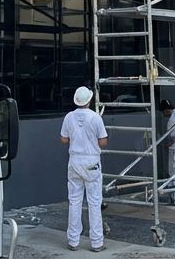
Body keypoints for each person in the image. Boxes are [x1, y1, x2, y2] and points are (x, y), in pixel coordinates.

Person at [61, 86, 108, 252]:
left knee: (74, 201)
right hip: (91, 163)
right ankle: (96, 243)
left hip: (74, 161)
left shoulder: (69, 117)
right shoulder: (95, 118)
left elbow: (64, 140)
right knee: (94, 203)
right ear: (89, 100)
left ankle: (73, 241)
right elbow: (103, 142)